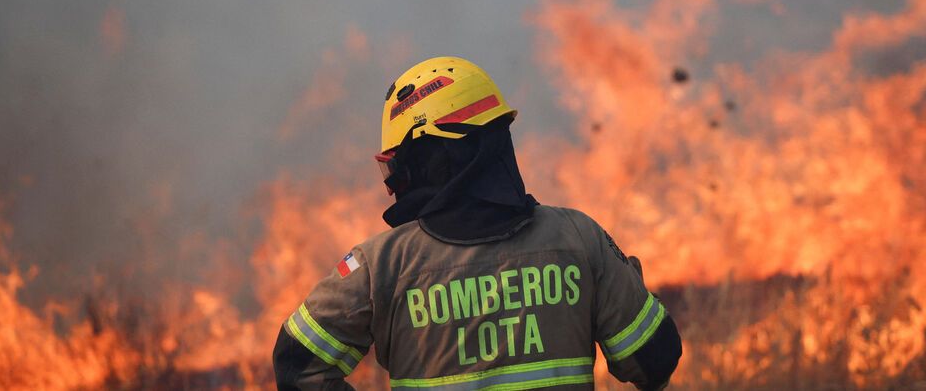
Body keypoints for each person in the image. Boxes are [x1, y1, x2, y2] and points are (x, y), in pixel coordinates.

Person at [273, 56, 682, 390]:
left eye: (397, 165)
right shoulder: (579, 238)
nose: (396, 180)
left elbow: (296, 366)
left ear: (431, 155)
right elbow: (654, 361)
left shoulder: (379, 266)